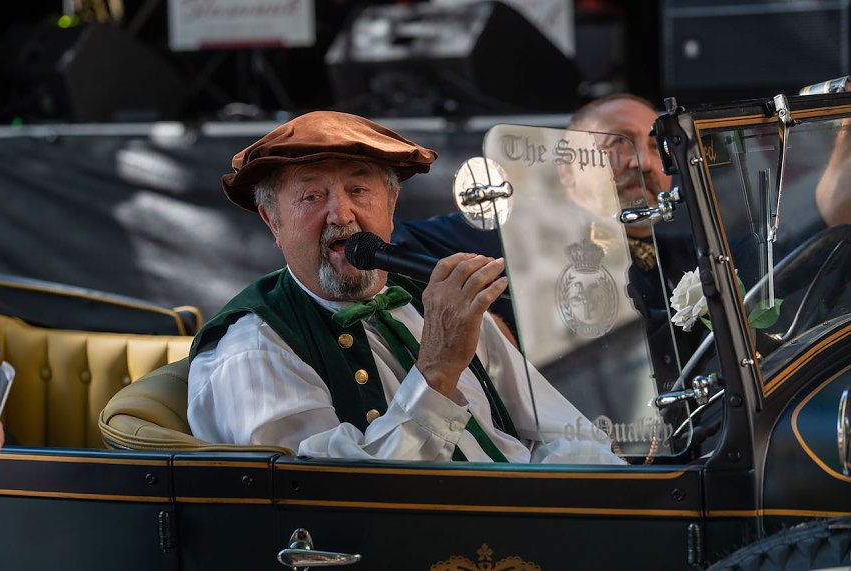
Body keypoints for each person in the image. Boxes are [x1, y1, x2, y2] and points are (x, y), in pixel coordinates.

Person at [187, 111, 623, 464]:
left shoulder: (431, 301)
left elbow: (564, 433)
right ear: (273, 222)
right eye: (311, 198)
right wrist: (437, 369)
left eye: (359, 189)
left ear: (391, 205)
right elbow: (340, 501)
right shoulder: (253, 351)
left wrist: (621, 502)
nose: (342, 215)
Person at [393, 94, 700, 389]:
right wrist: (487, 327)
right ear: (568, 168)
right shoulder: (512, 241)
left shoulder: (697, 254)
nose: (644, 162)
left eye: (655, 145)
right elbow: (388, 248)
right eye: (619, 144)